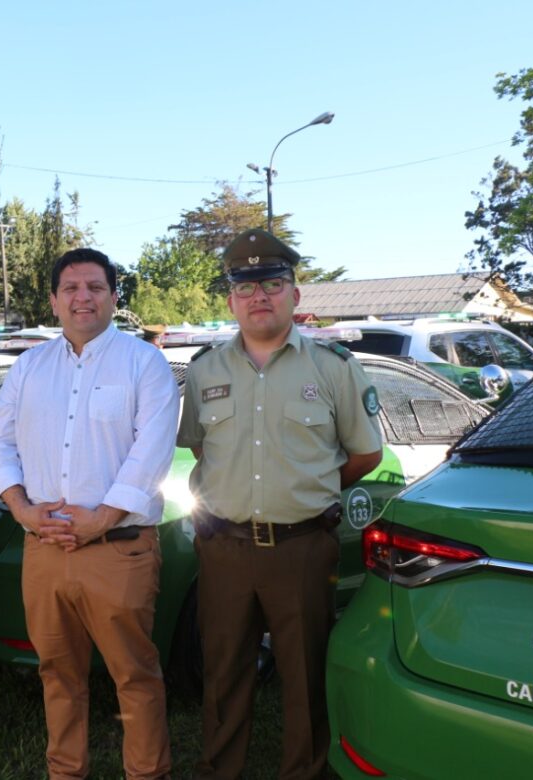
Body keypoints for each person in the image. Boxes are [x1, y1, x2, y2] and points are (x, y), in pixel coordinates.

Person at [177, 229, 383, 780]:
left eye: (273, 282)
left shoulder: (334, 367)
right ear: (230, 299)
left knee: (304, 674)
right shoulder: (204, 371)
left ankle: (305, 771)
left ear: (295, 294)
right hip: (223, 547)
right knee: (223, 672)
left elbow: (364, 454)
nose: (259, 295)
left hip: (301, 547)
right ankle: (220, 769)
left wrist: (305, 488)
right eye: (245, 286)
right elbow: (201, 447)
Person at [0, 247, 179, 780]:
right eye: (70, 288)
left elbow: (152, 452)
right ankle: (65, 771)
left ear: (115, 297)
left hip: (118, 550)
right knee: (57, 673)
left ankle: (147, 773)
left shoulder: (145, 363)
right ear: (53, 300)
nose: (82, 297)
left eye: (95, 287)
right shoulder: (29, 367)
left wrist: (103, 517)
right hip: (44, 549)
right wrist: (21, 508)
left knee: (134, 676)